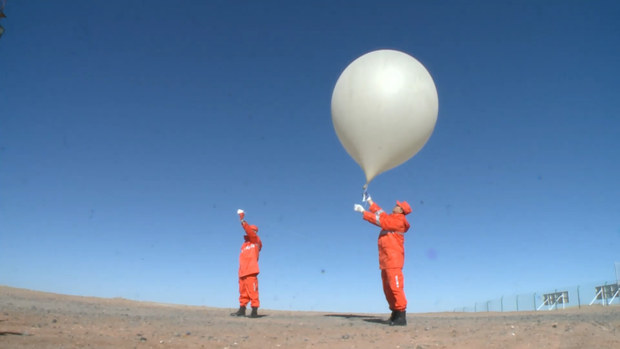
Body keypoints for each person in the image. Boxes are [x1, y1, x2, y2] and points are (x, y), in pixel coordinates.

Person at [354, 194, 411, 326]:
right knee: (387, 288)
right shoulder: (392, 217)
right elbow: (380, 213)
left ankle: (401, 316)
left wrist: (363, 211)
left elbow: (381, 221)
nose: (395, 205)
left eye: (398, 205)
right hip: (385, 260)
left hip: (394, 259)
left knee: (395, 287)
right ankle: (395, 313)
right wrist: (369, 201)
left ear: (401, 210)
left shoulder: (399, 221)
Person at [230, 209, 262, 318]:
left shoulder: (256, 241)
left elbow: (249, 232)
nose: (252, 232)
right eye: (252, 230)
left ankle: (254, 311)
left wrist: (242, 219)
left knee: (253, 291)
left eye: (254, 231)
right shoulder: (244, 245)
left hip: (251, 270)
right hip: (242, 271)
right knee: (242, 292)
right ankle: (242, 310)